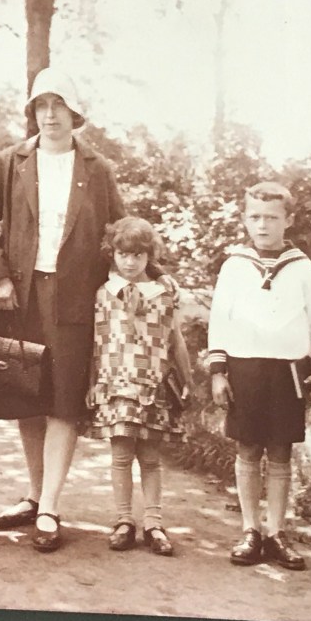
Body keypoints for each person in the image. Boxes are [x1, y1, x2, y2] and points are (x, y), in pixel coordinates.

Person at [0, 67, 166, 553]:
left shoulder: (97, 169)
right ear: (33, 112)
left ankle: (49, 506)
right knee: (25, 393)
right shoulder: (9, 162)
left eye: (59, 105)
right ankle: (35, 492)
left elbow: (121, 232)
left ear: (74, 113)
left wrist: (154, 277)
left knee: (62, 400)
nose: (50, 115)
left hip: (75, 299)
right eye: (42, 105)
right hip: (18, 295)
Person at [207, 181, 311, 570]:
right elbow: (220, 318)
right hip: (244, 367)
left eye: (272, 218)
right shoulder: (235, 265)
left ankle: (277, 532)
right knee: (247, 448)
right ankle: (251, 530)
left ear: (288, 220)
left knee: (280, 451)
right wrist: (218, 371)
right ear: (245, 219)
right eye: (255, 217)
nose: (263, 225)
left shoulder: (303, 267)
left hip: (289, 370)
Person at [85, 217, 193, 556]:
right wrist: (91, 383)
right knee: (120, 455)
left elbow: (175, 340)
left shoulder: (163, 295)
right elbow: (96, 343)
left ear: (149, 256)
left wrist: (188, 379)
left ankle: (154, 522)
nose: (130, 262)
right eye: (123, 254)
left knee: (150, 457)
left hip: (152, 384)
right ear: (112, 254)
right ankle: (123, 520)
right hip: (116, 384)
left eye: (138, 255)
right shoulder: (104, 294)